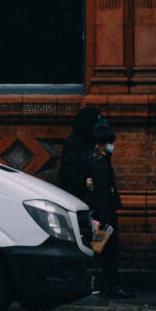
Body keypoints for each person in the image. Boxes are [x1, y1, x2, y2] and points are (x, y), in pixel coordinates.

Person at [85, 122, 134, 299]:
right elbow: (102, 191)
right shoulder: (101, 164)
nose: (112, 146)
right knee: (108, 251)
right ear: (104, 143)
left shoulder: (98, 160)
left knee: (102, 250)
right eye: (110, 143)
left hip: (101, 214)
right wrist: (106, 218)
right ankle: (110, 287)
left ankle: (107, 286)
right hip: (105, 215)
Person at [56, 106, 101, 199]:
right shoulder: (74, 143)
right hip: (74, 194)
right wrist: (84, 181)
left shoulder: (93, 141)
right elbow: (68, 171)